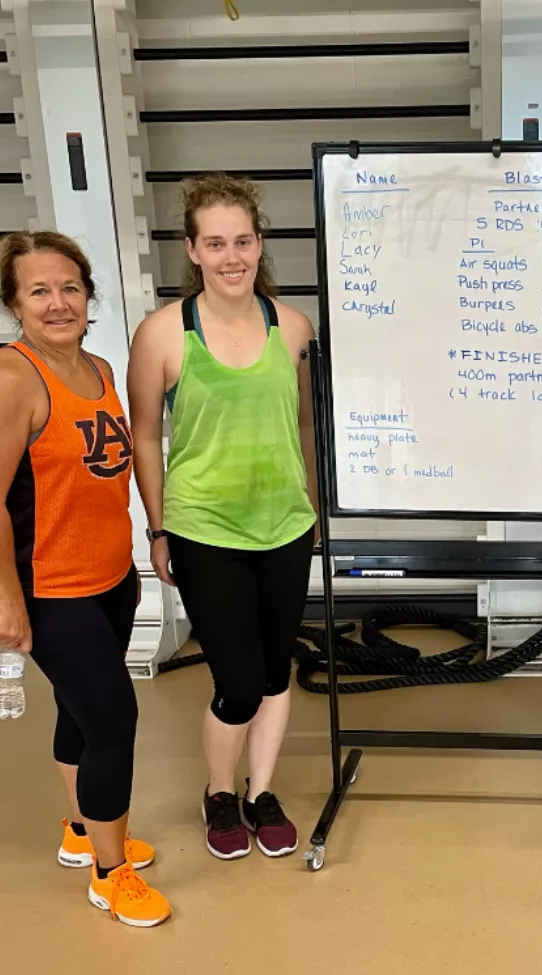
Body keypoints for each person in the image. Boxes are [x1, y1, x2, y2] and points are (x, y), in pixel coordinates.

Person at [128, 174, 318, 861]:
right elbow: (144, 435)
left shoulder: (291, 326)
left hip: (284, 526)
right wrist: (156, 527)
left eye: (242, 240)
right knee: (235, 683)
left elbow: (301, 421)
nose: (231, 254)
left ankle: (260, 791)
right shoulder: (160, 335)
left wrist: (311, 505)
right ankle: (218, 791)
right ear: (193, 249)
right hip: (204, 528)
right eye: (216, 242)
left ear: (259, 243)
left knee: (275, 675)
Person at [0, 231, 171, 927]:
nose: (58, 301)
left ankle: (82, 829)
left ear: (89, 293)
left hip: (110, 576)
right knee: (114, 721)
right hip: (51, 590)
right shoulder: (14, 379)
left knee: (78, 713)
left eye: (69, 286)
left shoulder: (100, 368)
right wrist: (7, 599)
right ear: (14, 302)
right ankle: (109, 870)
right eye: (38, 289)